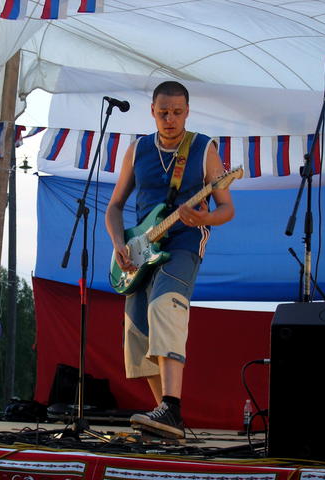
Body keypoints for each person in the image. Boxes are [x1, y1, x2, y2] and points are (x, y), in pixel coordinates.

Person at [105, 81, 235, 439]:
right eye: (163, 112)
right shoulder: (137, 149)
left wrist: (205, 218)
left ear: (187, 111)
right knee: (136, 332)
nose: (170, 118)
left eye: (177, 112)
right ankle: (165, 420)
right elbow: (114, 206)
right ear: (152, 111)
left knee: (165, 306)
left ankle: (171, 408)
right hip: (140, 250)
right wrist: (119, 242)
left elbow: (226, 208)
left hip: (184, 242)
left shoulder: (204, 148)